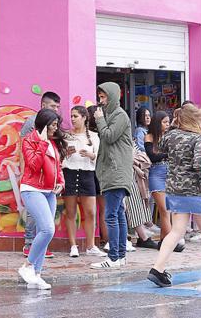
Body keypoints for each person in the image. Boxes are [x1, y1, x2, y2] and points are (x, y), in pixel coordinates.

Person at [147, 105, 201, 287]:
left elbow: (161, 148)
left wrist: (173, 126)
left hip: (175, 190)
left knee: (176, 231)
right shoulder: (199, 138)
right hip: (196, 192)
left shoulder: (170, 136)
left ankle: (157, 268)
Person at [18, 109, 66, 289]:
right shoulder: (30, 141)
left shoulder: (52, 143)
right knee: (47, 229)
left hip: (49, 192)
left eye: (56, 125)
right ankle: (27, 266)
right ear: (44, 124)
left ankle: (37, 274)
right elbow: (33, 164)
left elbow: (57, 166)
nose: (56, 128)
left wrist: (60, 183)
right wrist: (43, 143)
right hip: (32, 189)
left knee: (43, 233)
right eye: (53, 125)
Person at [91, 82, 134, 269]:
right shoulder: (112, 114)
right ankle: (121, 256)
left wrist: (99, 119)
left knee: (111, 216)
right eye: (99, 97)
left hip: (116, 172)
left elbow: (109, 136)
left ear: (113, 96)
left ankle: (114, 257)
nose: (100, 101)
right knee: (118, 214)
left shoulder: (119, 115)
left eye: (103, 97)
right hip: (112, 172)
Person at [20, 91, 61, 259]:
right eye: (53, 106)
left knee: (46, 226)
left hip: (48, 186)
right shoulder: (31, 125)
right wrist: (25, 174)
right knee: (37, 218)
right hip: (33, 182)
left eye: (58, 107)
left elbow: (57, 162)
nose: (56, 110)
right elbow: (26, 153)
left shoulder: (53, 133)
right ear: (43, 106)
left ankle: (36, 268)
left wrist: (60, 182)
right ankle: (29, 246)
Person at [63, 106, 106, 258]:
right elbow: (59, 157)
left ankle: (90, 245)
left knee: (90, 212)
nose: (73, 119)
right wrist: (66, 154)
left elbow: (100, 157)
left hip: (88, 174)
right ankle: (73, 245)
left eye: (75, 116)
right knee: (70, 212)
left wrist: (91, 155)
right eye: (71, 116)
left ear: (84, 117)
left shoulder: (94, 136)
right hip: (70, 172)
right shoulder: (66, 136)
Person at [145, 111, 180, 252]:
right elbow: (152, 157)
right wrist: (168, 154)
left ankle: (163, 241)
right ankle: (171, 242)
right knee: (164, 210)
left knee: (168, 210)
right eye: (164, 122)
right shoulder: (149, 136)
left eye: (168, 122)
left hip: (169, 173)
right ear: (157, 122)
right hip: (156, 174)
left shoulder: (169, 136)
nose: (167, 124)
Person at [87, 105, 108, 246]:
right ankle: (107, 240)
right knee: (104, 210)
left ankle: (101, 238)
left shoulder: (87, 134)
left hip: (89, 173)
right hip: (101, 173)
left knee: (94, 211)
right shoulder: (103, 134)